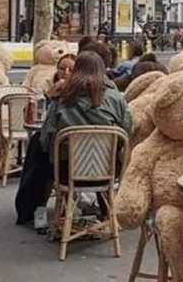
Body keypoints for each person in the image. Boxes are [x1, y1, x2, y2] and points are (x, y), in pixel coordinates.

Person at [15, 52, 133, 226]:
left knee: (39, 150)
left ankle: (33, 209)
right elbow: (127, 131)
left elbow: (47, 140)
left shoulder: (63, 99)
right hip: (106, 171)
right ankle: (106, 211)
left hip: (66, 172)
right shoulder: (116, 99)